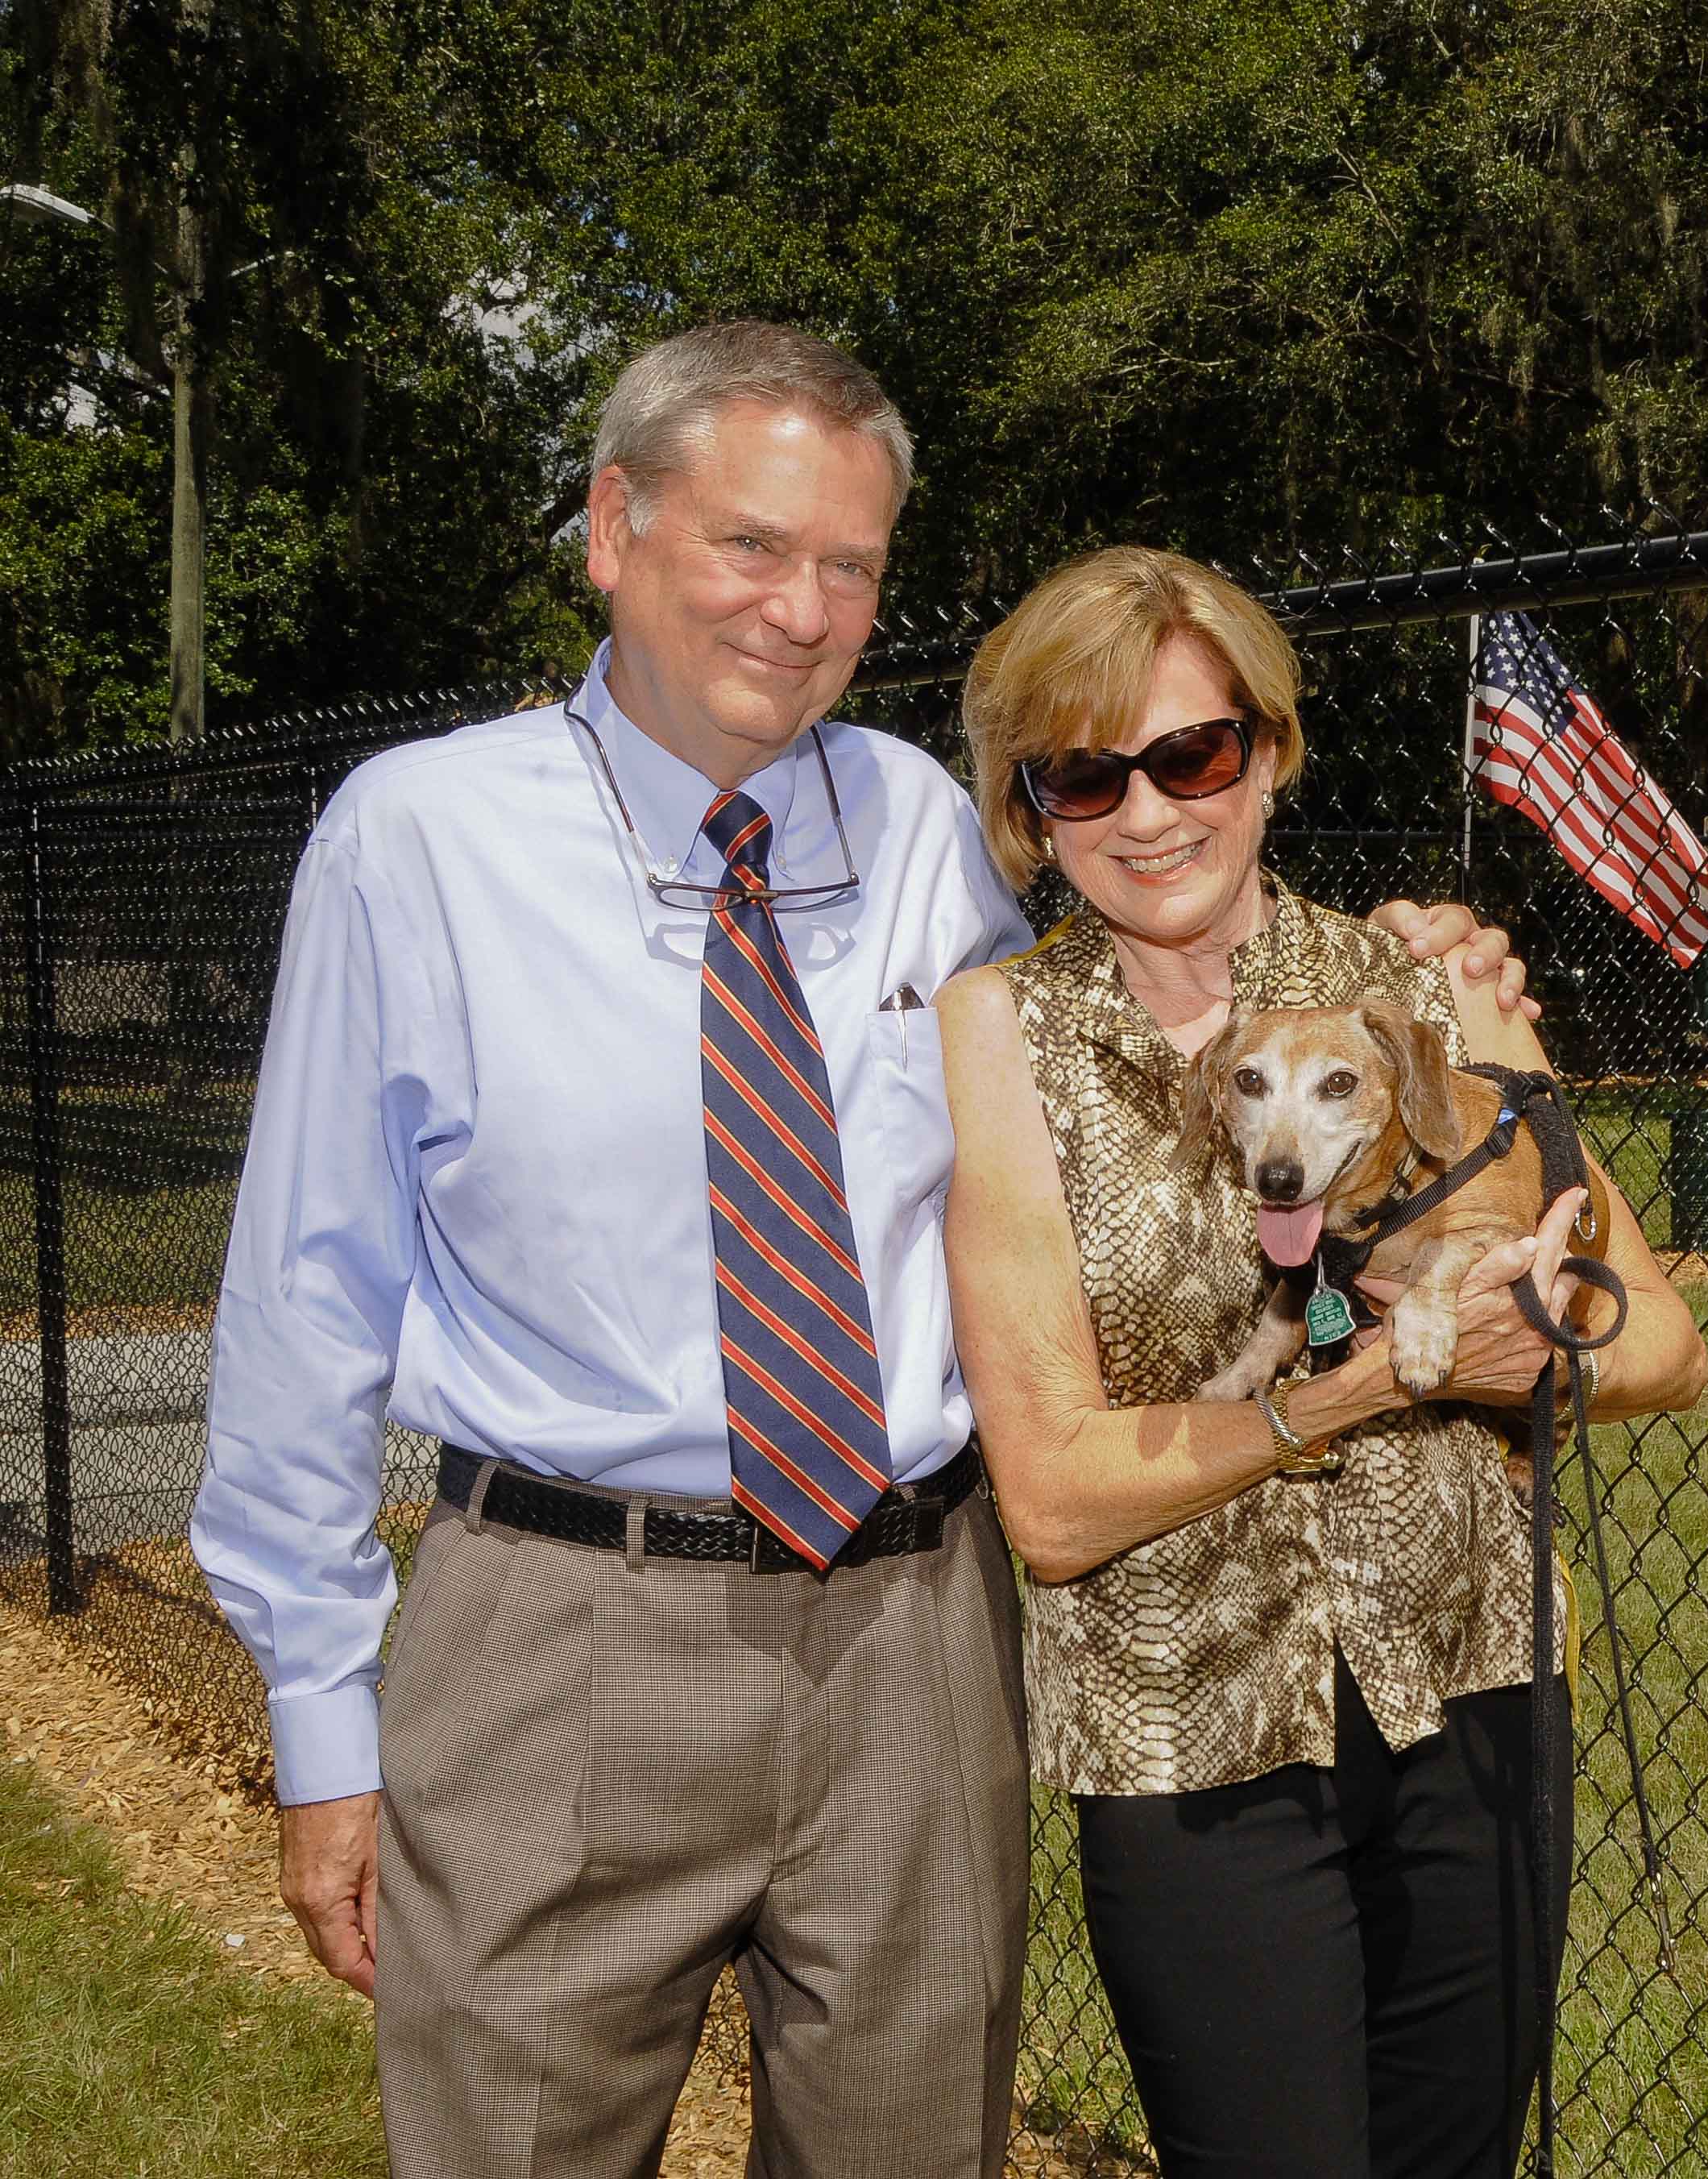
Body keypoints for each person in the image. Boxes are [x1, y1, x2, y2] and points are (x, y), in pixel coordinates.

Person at [189, 323, 1530, 2179]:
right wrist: (321, 1720)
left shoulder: (916, 826)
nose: (798, 606)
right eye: (749, 544)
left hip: (913, 1634)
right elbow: (303, 1299)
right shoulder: (416, 841)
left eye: (847, 565)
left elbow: (1153, 991)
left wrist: (1416, 971)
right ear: (609, 527)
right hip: (566, 1636)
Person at [937, 545, 1708, 2179]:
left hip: (1479, 1690)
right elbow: (1058, 1503)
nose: (1147, 814)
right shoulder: (1000, 1034)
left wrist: (1511, 1353)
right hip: (1187, 1735)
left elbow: (1653, 1342)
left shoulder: (1426, 993)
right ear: (1030, 804)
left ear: (1267, 752)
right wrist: (1355, 1384)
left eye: (1191, 755)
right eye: (1087, 773)